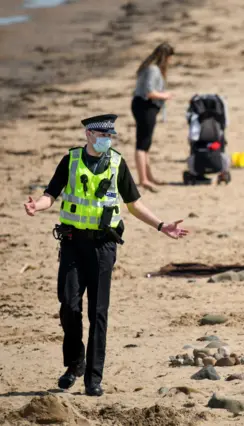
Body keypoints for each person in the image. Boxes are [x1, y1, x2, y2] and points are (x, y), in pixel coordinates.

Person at [23, 114, 189, 396]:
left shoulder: (116, 162)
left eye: (110, 136)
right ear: (88, 134)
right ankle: (75, 363)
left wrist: (162, 226)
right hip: (73, 243)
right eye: (102, 136)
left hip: (103, 246)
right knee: (69, 305)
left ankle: (93, 379)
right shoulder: (71, 160)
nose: (106, 141)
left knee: (98, 312)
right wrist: (37, 206)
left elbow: (134, 204)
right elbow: (51, 194)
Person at [131, 42, 174, 192]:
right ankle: (143, 179)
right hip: (145, 106)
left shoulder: (149, 68)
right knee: (142, 144)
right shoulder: (153, 70)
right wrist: (165, 95)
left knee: (146, 143)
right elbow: (149, 92)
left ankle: (148, 177)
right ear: (165, 57)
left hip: (145, 106)